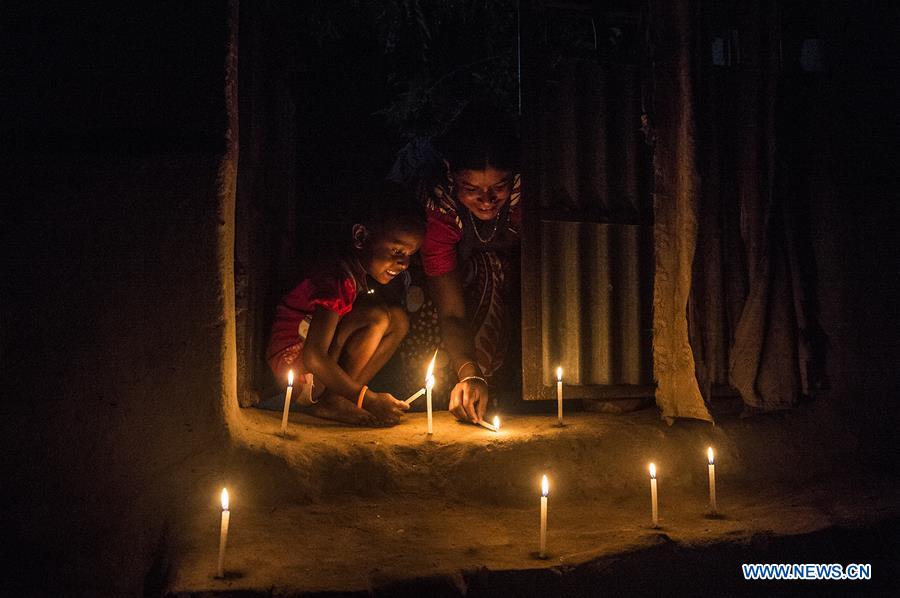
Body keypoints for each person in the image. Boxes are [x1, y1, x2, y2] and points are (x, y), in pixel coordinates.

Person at [266, 189, 425, 426]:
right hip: (294, 372)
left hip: (309, 367)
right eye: (397, 250)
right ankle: (335, 401)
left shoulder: (352, 274)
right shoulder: (337, 278)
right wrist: (368, 399)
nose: (404, 263)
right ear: (360, 237)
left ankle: (337, 399)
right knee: (378, 316)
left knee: (399, 320)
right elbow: (314, 356)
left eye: (410, 254)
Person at [416, 105, 521, 425]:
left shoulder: (525, 199)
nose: (487, 200)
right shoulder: (441, 210)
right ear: (452, 175)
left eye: (498, 187)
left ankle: (510, 391)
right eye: (473, 189)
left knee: (492, 267)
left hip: (513, 294)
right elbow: (450, 312)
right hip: (449, 300)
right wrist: (469, 372)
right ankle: (453, 391)